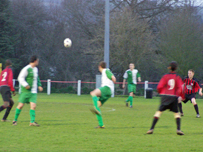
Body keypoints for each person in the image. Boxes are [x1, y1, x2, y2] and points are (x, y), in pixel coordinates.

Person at [147, 61, 184, 135]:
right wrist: (181, 96)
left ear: (169, 68)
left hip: (165, 96)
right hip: (174, 97)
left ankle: (151, 128)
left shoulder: (165, 76)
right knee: (176, 113)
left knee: (159, 112)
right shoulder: (177, 77)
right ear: (176, 68)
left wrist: (160, 92)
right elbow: (181, 87)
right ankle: (178, 129)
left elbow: (159, 86)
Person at [13, 55, 43, 126]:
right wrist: (25, 85)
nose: (38, 62)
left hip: (33, 92)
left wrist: (39, 85)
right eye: (37, 61)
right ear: (35, 61)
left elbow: (37, 78)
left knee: (33, 106)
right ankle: (15, 120)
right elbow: (20, 78)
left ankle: (32, 122)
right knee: (20, 105)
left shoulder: (36, 69)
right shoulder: (26, 69)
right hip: (26, 91)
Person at [90, 61, 116, 128]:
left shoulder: (105, 70)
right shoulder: (104, 72)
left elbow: (112, 77)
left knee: (93, 93)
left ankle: (96, 110)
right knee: (98, 104)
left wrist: (114, 79)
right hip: (109, 92)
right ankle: (101, 125)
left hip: (107, 88)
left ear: (99, 67)